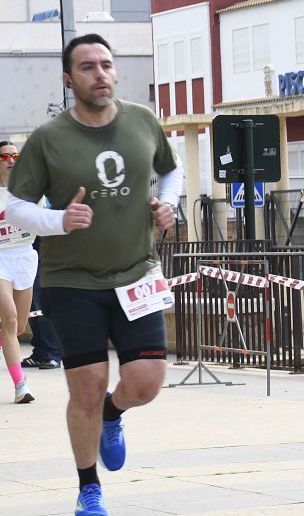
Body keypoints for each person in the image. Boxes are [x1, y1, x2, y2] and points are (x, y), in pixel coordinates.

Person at [7, 33, 182, 516]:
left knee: (146, 381)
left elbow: (171, 170)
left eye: (106, 64)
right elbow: (15, 204)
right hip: (72, 281)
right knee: (84, 386)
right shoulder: (49, 139)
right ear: (68, 79)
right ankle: (89, 489)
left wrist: (169, 205)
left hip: (138, 273)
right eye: (87, 67)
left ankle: (113, 412)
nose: (100, 73)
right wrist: (57, 221)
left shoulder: (143, 121)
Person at [0, 140, 37, 403]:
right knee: (10, 320)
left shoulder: (30, 190)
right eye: (5, 157)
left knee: (18, 325)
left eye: (15, 155)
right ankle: (20, 386)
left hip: (25, 255)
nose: (11, 160)